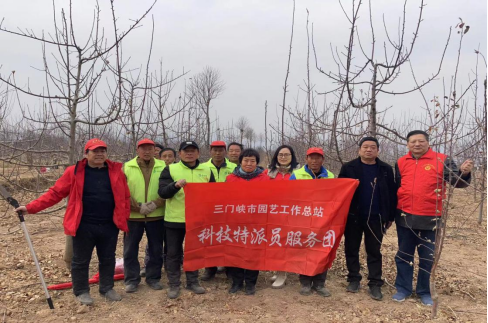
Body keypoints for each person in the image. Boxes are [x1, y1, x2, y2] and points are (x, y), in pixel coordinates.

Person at [15, 139, 130, 306]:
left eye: (102, 151)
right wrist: (31, 208)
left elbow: (125, 197)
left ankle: (107, 288)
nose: (99, 154)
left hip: (109, 225)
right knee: (81, 260)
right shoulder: (74, 172)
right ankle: (81, 291)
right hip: (83, 225)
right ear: (86, 154)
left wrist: (123, 216)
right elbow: (55, 193)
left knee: (108, 258)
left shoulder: (116, 172)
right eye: (95, 151)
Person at [393, 130, 473, 306]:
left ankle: (424, 291)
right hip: (405, 215)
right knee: (404, 255)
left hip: (430, 217)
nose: (417, 144)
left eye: (421, 141)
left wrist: (463, 172)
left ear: (428, 143)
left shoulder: (441, 159)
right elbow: (397, 186)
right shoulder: (401, 162)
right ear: (407, 144)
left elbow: (457, 182)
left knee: (427, 256)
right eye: (413, 141)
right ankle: (403, 289)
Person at [338, 137, 397, 301]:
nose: (368, 150)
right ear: (359, 150)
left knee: (374, 251)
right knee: (351, 248)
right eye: (365, 147)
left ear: (378, 150)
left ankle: (375, 283)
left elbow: (391, 194)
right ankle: (354, 279)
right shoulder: (349, 167)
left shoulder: (385, 169)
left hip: (376, 217)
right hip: (353, 217)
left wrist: (390, 216)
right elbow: (339, 192)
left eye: (372, 147)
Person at [158, 141, 216, 299]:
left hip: (197, 220)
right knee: (173, 253)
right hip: (174, 220)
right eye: (186, 151)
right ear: (180, 153)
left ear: (198, 153)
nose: (189, 153)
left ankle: (192, 281)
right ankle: (174, 284)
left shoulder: (207, 170)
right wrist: (175, 186)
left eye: (192, 151)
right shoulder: (171, 169)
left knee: (194, 253)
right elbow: (162, 193)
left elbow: (213, 195)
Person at [123, 139, 167, 293]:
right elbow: (122, 191)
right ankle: (131, 280)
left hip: (157, 215)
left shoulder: (163, 166)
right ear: (137, 150)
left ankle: (153, 278)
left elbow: (168, 189)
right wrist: (137, 207)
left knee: (156, 248)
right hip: (134, 216)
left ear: (155, 150)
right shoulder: (127, 167)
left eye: (150, 148)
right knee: (130, 249)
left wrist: (156, 203)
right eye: (143, 149)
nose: (147, 152)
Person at [290, 147, 335, 297]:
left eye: (318, 158)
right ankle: (305, 282)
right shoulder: (296, 175)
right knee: (304, 251)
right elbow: (289, 196)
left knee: (322, 251)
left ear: (323, 160)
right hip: (303, 219)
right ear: (306, 159)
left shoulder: (330, 176)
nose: (314, 161)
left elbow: (335, 197)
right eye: (311, 158)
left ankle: (320, 283)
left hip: (323, 220)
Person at [226, 148, 270, 295]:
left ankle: (250, 283)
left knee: (253, 253)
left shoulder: (265, 179)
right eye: (246, 160)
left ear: (257, 163)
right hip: (236, 221)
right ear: (240, 162)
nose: (249, 163)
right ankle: (236, 282)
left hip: (256, 222)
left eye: (253, 161)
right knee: (235, 252)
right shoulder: (230, 178)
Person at [264, 145, 301, 289]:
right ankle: (279, 269)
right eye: (280, 154)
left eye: (287, 155)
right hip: (273, 213)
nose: (283, 157)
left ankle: (282, 273)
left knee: (286, 243)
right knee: (275, 242)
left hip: (292, 213)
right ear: (276, 156)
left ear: (292, 157)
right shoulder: (268, 173)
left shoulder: (298, 173)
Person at [201, 141, 238, 281]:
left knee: (228, 239)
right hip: (209, 210)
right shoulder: (203, 167)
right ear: (210, 151)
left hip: (229, 210)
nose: (217, 153)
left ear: (225, 152)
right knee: (210, 239)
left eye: (220, 150)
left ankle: (229, 269)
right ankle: (210, 269)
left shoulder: (234, 167)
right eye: (215, 150)